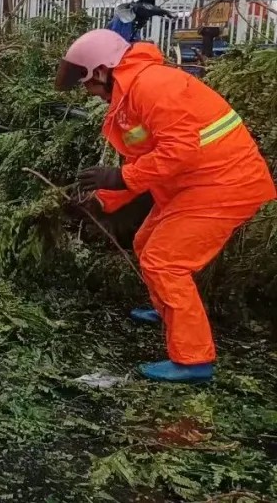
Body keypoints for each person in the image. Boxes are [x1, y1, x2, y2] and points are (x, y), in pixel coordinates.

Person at [57, 28, 276, 383]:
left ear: (101, 70)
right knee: (146, 243)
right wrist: (101, 201)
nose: (88, 92)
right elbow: (148, 159)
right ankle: (171, 310)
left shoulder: (152, 87)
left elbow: (177, 152)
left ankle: (194, 360)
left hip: (223, 185)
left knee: (165, 262)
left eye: (87, 84)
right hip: (195, 183)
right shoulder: (134, 92)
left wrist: (119, 178)